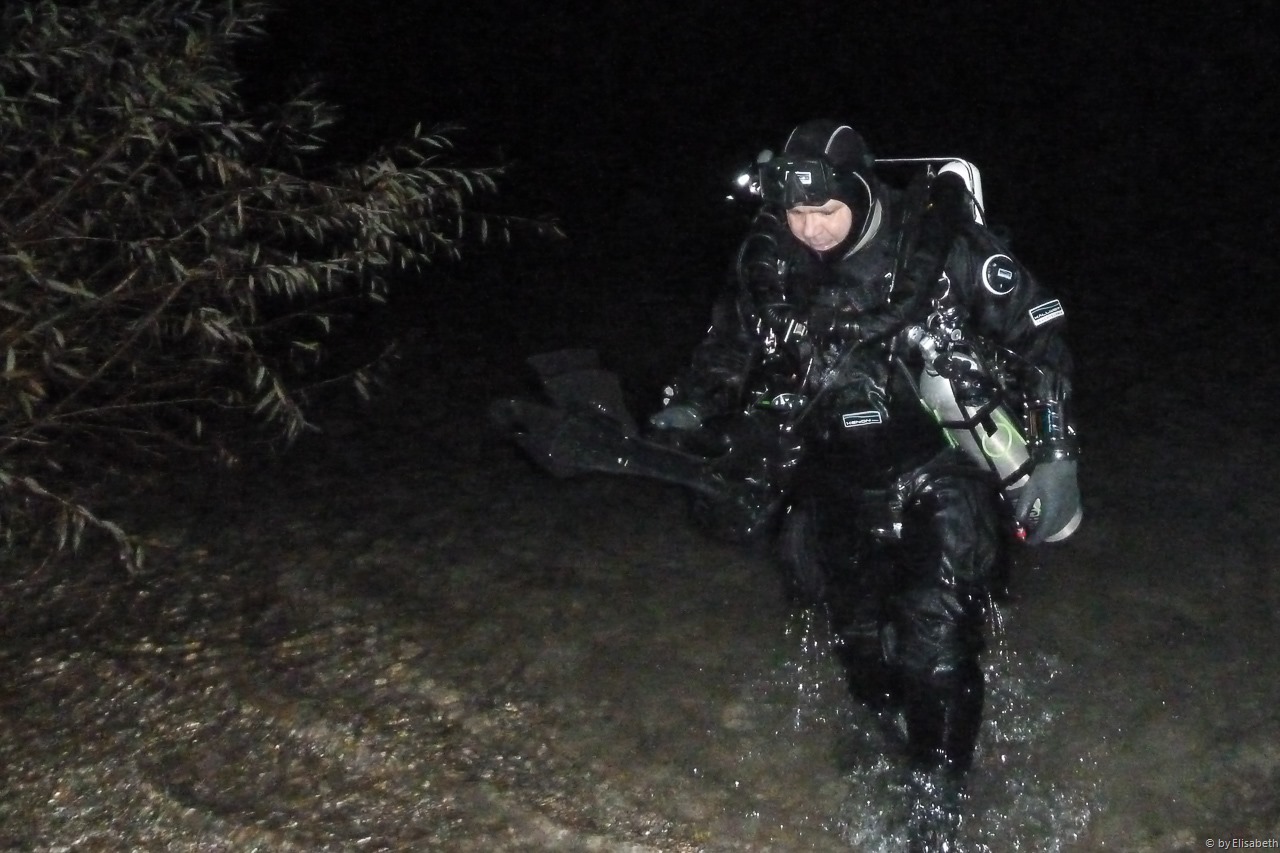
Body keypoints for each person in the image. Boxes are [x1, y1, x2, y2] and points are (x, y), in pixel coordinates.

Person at [648, 120, 1080, 835]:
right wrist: (691, 408)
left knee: (934, 644)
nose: (810, 228)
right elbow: (730, 345)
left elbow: (1039, 337)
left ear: (859, 192)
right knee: (857, 641)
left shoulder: (938, 245)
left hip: (940, 466)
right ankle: (889, 741)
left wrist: (1058, 452)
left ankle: (937, 810)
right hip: (832, 473)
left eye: (825, 210)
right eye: (796, 212)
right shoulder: (770, 258)